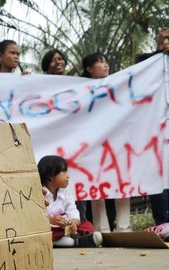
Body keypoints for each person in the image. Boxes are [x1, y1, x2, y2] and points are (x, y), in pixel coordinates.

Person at [81, 52, 131, 232]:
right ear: (89, 69)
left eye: (106, 62)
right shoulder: (81, 90)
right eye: (100, 63)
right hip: (94, 145)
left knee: (123, 183)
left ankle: (124, 227)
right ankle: (101, 229)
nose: (105, 65)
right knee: (97, 186)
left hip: (118, 142)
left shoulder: (119, 85)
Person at [135, 28, 169, 230]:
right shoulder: (151, 63)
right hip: (156, 130)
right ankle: (163, 223)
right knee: (160, 176)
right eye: (164, 38)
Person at [38, 155, 102, 247]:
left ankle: (70, 240)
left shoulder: (66, 194)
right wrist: (51, 221)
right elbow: (35, 219)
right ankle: (76, 242)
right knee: (45, 234)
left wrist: (72, 224)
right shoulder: (39, 194)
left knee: (86, 226)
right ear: (50, 176)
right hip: (48, 230)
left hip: (63, 230)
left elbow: (75, 216)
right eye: (63, 171)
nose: (67, 176)